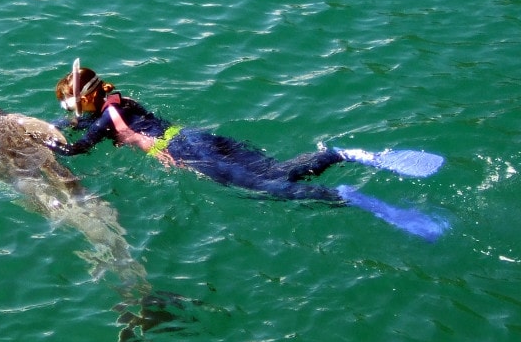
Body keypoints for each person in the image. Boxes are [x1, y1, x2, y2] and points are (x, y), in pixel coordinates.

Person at [46, 61, 448, 239]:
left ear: (83, 100)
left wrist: (51, 144)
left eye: (70, 104)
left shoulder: (102, 120)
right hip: (195, 137)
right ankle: (342, 154)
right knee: (274, 168)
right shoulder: (121, 100)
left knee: (270, 188)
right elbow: (93, 123)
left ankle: (345, 197)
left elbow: (79, 147)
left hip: (192, 157)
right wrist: (73, 121)